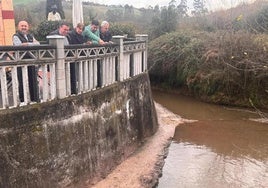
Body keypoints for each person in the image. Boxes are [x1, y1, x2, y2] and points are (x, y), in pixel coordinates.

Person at [13, 20, 40, 102]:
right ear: (18, 27)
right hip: (21, 62)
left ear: (28, 27)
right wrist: (31, 43)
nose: (24, 27)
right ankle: (23, 100)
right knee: (22, 82)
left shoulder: (30, 35)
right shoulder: (15, 36)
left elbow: (38, 44)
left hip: (31, 61)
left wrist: (27, 44)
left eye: (25, 26)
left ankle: (34, 99)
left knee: (33, 81)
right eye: (22, 26)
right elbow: (18, 46)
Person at [67, 23, 91, 94]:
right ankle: (72, 89)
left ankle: (75, 88)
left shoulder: (81, 36)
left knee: (77, 74)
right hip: (71, 56)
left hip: (78, 57)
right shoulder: (70, 34)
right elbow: (72, 44)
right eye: (79, 29)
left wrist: (85, 43)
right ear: (76, 27)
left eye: (82, 29)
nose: (80, 31)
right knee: (72, 74)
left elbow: (82, 42)